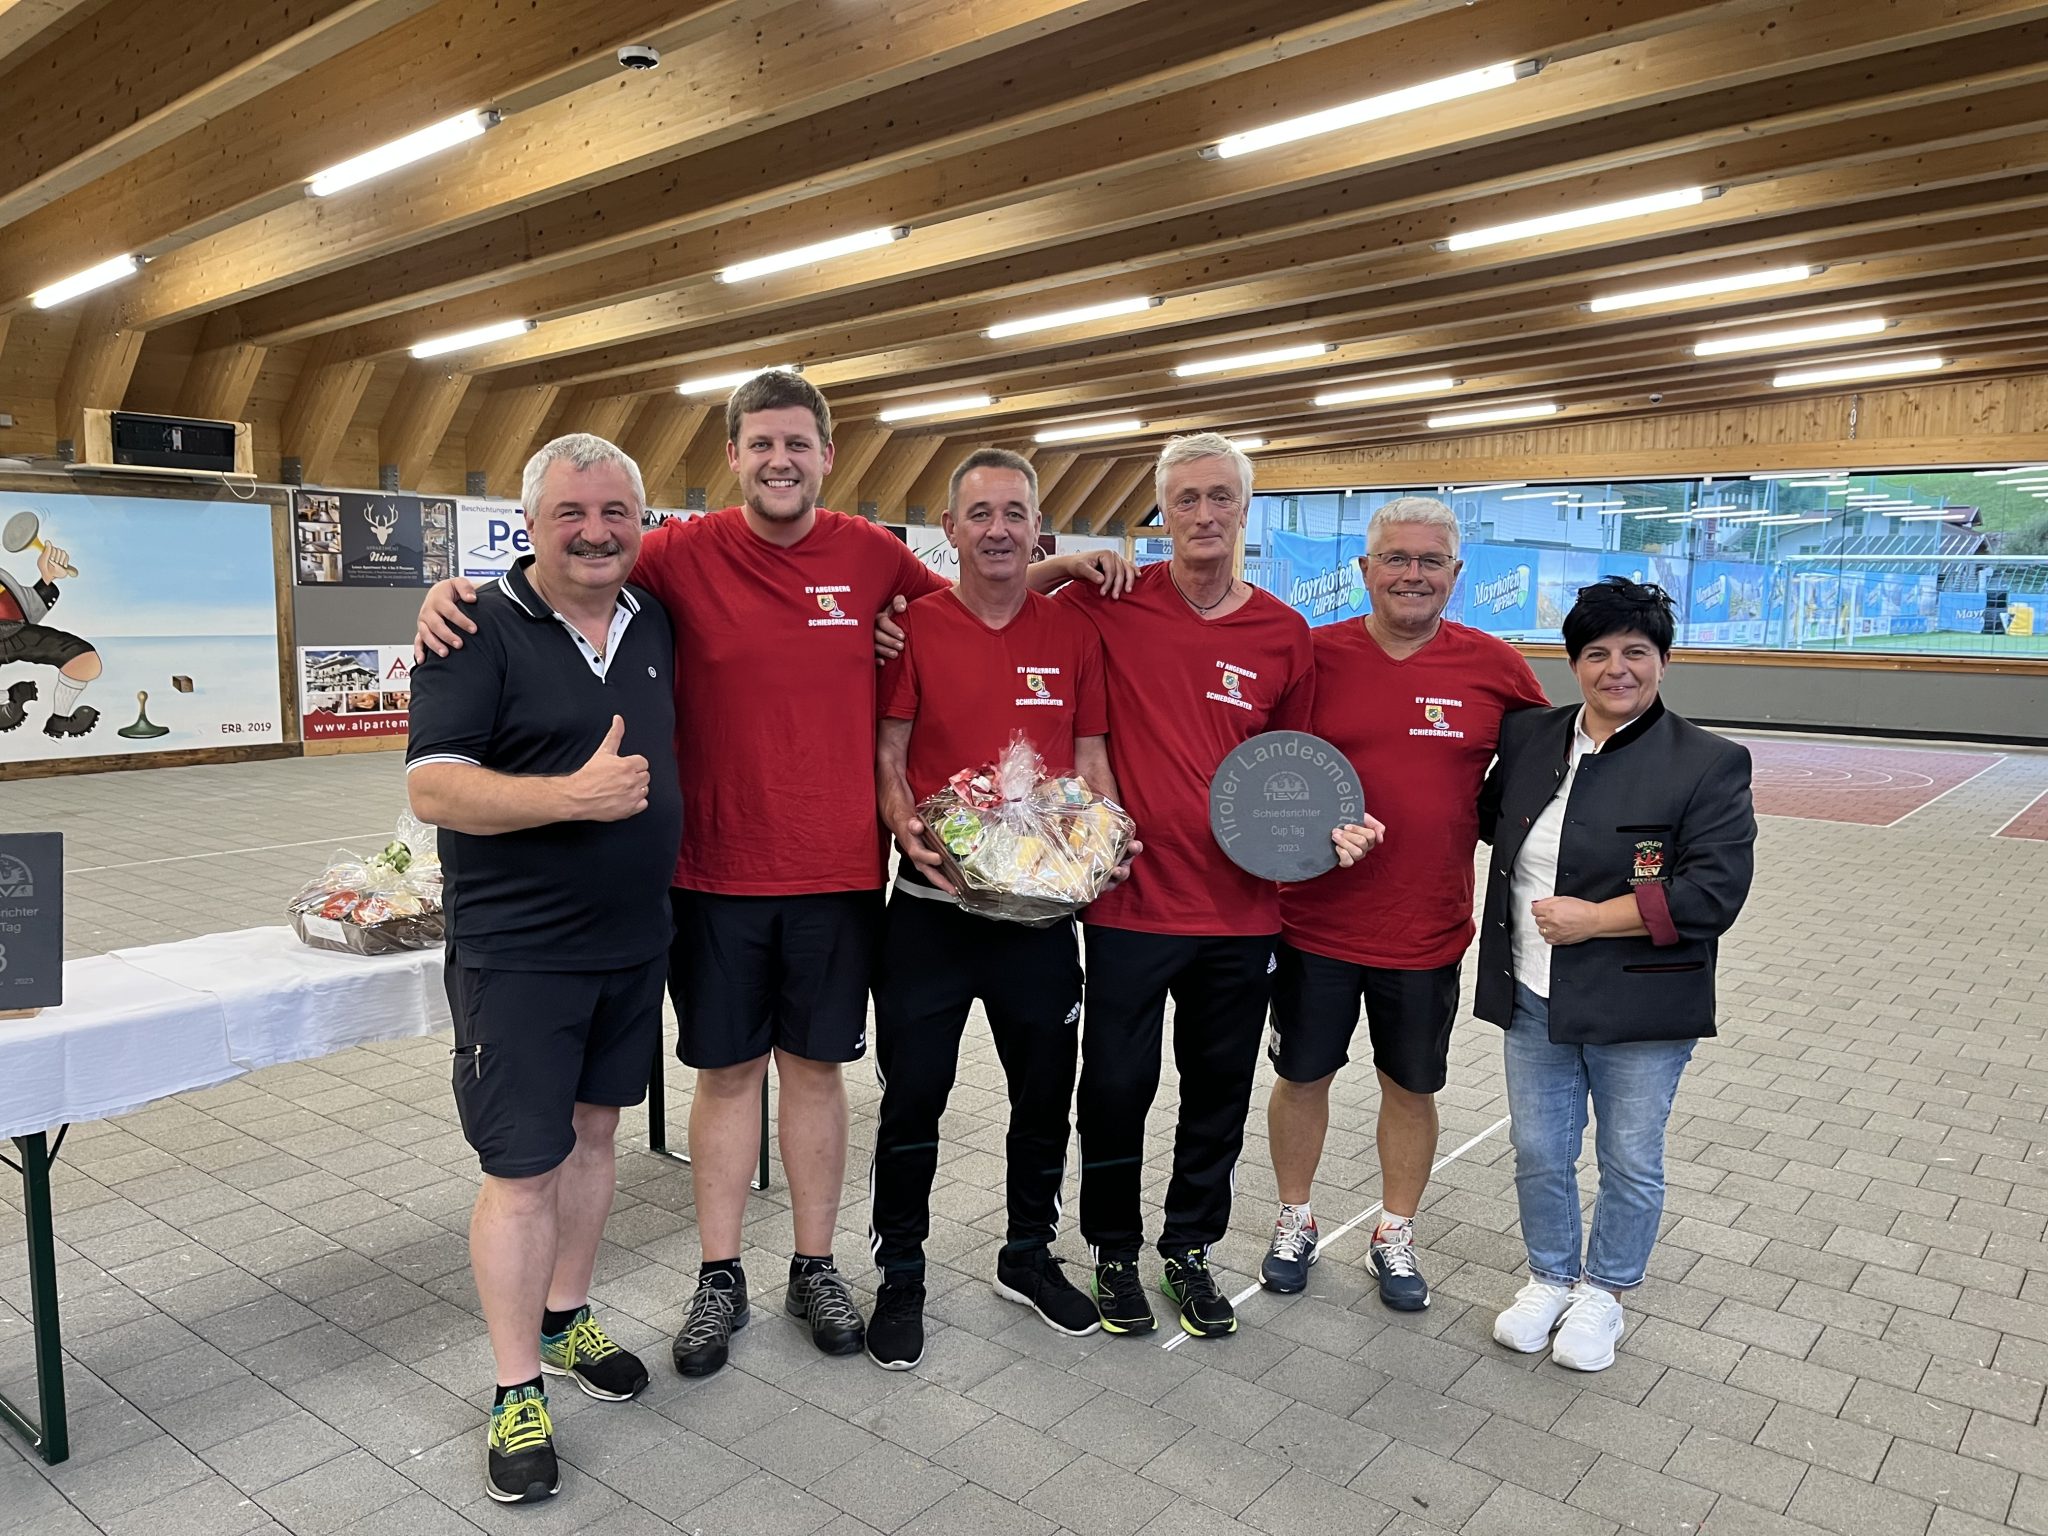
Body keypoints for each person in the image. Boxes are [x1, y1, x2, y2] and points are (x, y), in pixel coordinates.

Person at [416, 372, 1132, 1380]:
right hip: (711, 875)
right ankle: (719, 1275)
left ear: (826, 455)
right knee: (726, 1075)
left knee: (817, 1074)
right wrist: (452, 594)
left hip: (836, 873)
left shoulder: (872, 554)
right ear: (734, 457)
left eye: (797, 444)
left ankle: (813, 1263)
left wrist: (1070, 566)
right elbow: (569, 557)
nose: (779, 461)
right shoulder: (675, 552)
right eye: (760, 445)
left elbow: (978, 599)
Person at [406, 434, 679, 1503]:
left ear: (642, 522)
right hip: (519, 955)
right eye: (571, 513)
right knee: (521, 1171)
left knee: (598, 1137)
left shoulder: (654, 617)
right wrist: (573, 796)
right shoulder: (473, 626)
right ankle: (513, 1386)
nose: (596, 530)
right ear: (530, 524)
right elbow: (434, 789)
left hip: (631, 941)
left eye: (616, 510)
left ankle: (565, 1322)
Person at [865, 448, 1138, 1368]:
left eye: (1014, 513)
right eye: (978, 513)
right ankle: (900, 1270)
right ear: (950, 530)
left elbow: (1091, 758)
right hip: (930, 914)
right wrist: (905, 826)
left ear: (1036, 529)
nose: (997, 529)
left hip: (1039, 922)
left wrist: (1106, 838)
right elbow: (890, 752)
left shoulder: (1073, 635)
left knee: (1041, 1099)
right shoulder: (916, 627)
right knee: (913, 1102)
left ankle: (1027, 1253)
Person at [1059, 432, 1321, 1339]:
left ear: (1245, 509)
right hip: (1131, 903)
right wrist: (1069, 557)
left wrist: (1333, 831)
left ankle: (1189, 1248)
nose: (1203, 516)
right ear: (1160, 512)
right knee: (1117, 1085)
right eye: (1185, 500)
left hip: (1243, 913)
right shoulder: (1112, 603)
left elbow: (1300, 771)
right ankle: (1114, 1252)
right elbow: (995, 591)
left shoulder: (1284, 634)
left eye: (1220, 498)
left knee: (1218, 1089)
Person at [1261, 497, 1547, 1308]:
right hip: (1312, 922)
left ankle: (1394, 1232)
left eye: (1430, 562)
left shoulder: (1497, 670)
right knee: (1302, 1074)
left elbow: (1550, 781)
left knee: (1411, 1087)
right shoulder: (1309, 657)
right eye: (1396, 559)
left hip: (1427, 930)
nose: (1412, 574)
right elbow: (1253, 766)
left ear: (1457, 575)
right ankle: (1295, 1218)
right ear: (1364, 570)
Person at [1476, 577, 1754, 1371]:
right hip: (1533, 995)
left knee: (1629, 1159)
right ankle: (1550, 1279)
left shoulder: (1709, 763)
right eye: (1597, 652)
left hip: (1642, 1004)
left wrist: (1594, 918)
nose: (1616, 668)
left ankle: (1605, 1292)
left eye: (1636, 651)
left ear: (1663, 661)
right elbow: (1482, 817)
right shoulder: (1532, 737)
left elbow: (1713, 893)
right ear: (1573, 664)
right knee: (1539, 1150)